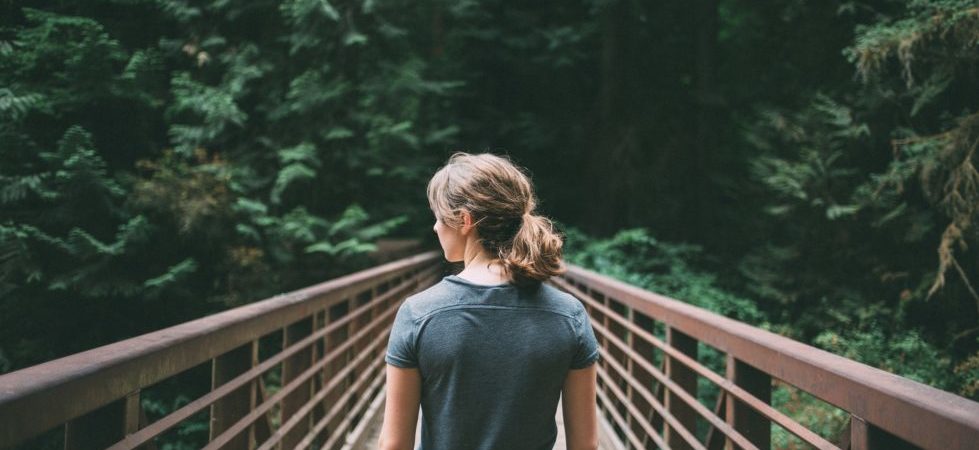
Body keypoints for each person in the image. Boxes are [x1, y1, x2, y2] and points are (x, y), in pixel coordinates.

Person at [377, 152, 601, 450]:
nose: (435, 228)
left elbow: (394, 445)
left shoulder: (419, 314)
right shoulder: (568, 316)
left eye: (438, 217)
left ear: (464, 220)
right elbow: (585, 446)